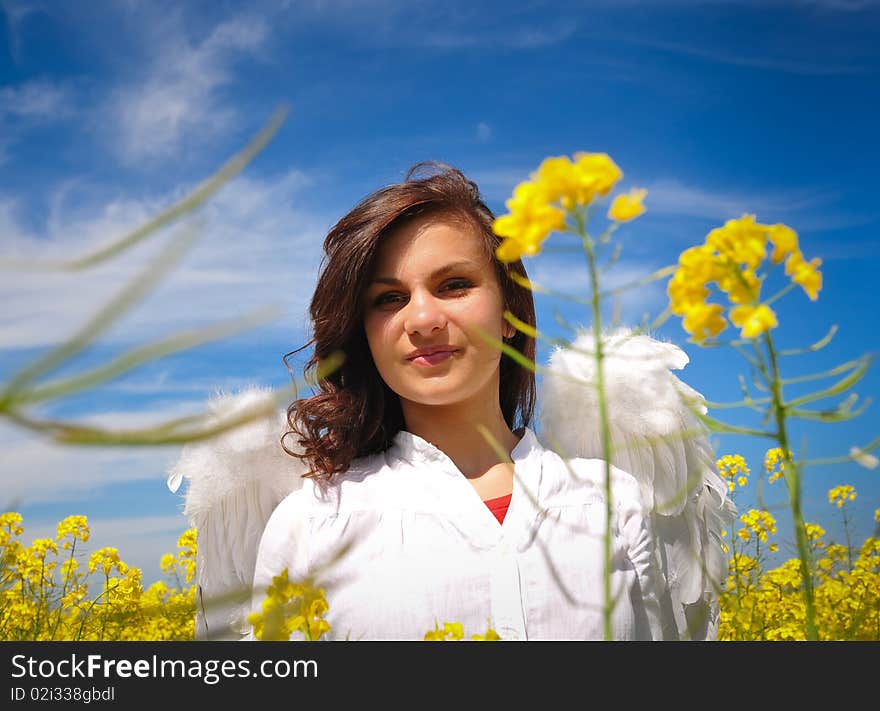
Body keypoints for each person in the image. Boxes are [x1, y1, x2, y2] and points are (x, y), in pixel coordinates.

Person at [243, 161, 670, 641]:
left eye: (454, 286)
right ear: (365, 336)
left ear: (510, 313)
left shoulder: (610, 501)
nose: (422, 318)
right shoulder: (314, 521)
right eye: (388, 299)